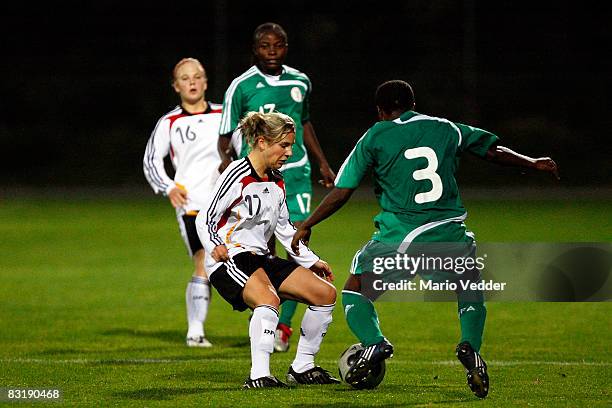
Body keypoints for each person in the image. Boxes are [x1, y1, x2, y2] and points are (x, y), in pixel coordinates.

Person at [291, 80, 560, 398]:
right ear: (413, 103)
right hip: (450, 233)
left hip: (401, 237)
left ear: (381, 111)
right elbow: (491, 151)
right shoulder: (446, 128)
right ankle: (470, 347)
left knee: (355, 292)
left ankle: (375, 343)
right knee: (469, 288)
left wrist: (308, 223)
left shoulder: (377, 134)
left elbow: (343, 189)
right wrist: (532, 163)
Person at [196, 111, 339, 388]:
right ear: (262, 142)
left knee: (325, 294)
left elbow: (285, 228)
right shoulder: (236, 174)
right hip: (231, 257)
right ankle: (259, 375)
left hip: (259, 257)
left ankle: (302, 367)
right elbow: (206, 216)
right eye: (284, 145)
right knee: (268, 299)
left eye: (291, 145)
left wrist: (311, 261)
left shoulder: (276, 179)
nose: (289, 152)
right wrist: (215, 245)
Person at [217, 22, 336, 353]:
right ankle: (264, 307)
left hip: (295, 175)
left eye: (279, 45)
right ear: (255, 49)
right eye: (265, 46)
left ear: (287, 47)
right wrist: (228, 163)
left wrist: (322, 162)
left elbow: (306, 122)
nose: (272, 51)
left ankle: (282, 324)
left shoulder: (300, 81)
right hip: (256, 179)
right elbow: (225, 135)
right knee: (261, 248)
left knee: (297, 239)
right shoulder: (240, 87)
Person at [143, 57, 222, 348]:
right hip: (192, 204)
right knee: (203, 260)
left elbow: (243, 152)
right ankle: (195, 330)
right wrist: (168, 187)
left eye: (197, 76)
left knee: (238, 262)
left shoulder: (224, 116)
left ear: (205, 81)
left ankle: (265, 325)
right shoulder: (169, 122)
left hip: (226, 204)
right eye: (185, 78)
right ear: (176, 86)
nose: (192, 82)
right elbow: (151, 160)